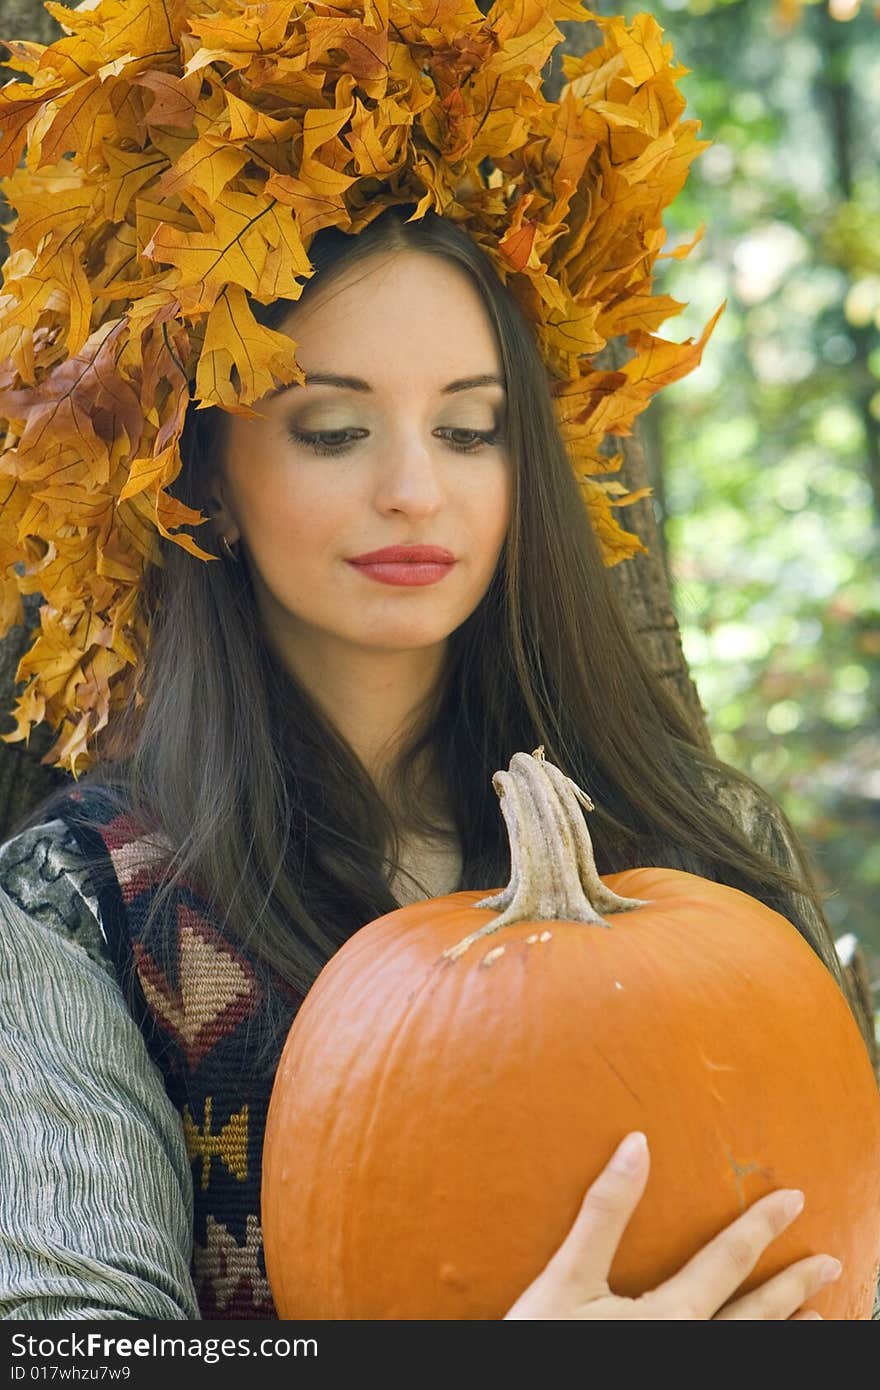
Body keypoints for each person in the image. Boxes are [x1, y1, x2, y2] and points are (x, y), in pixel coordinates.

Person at [0, 3, 875, 1323]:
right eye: (336, 428)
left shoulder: (700, 846)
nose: (417, 490)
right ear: (212, 479)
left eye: (470, 431)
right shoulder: (75, 915)